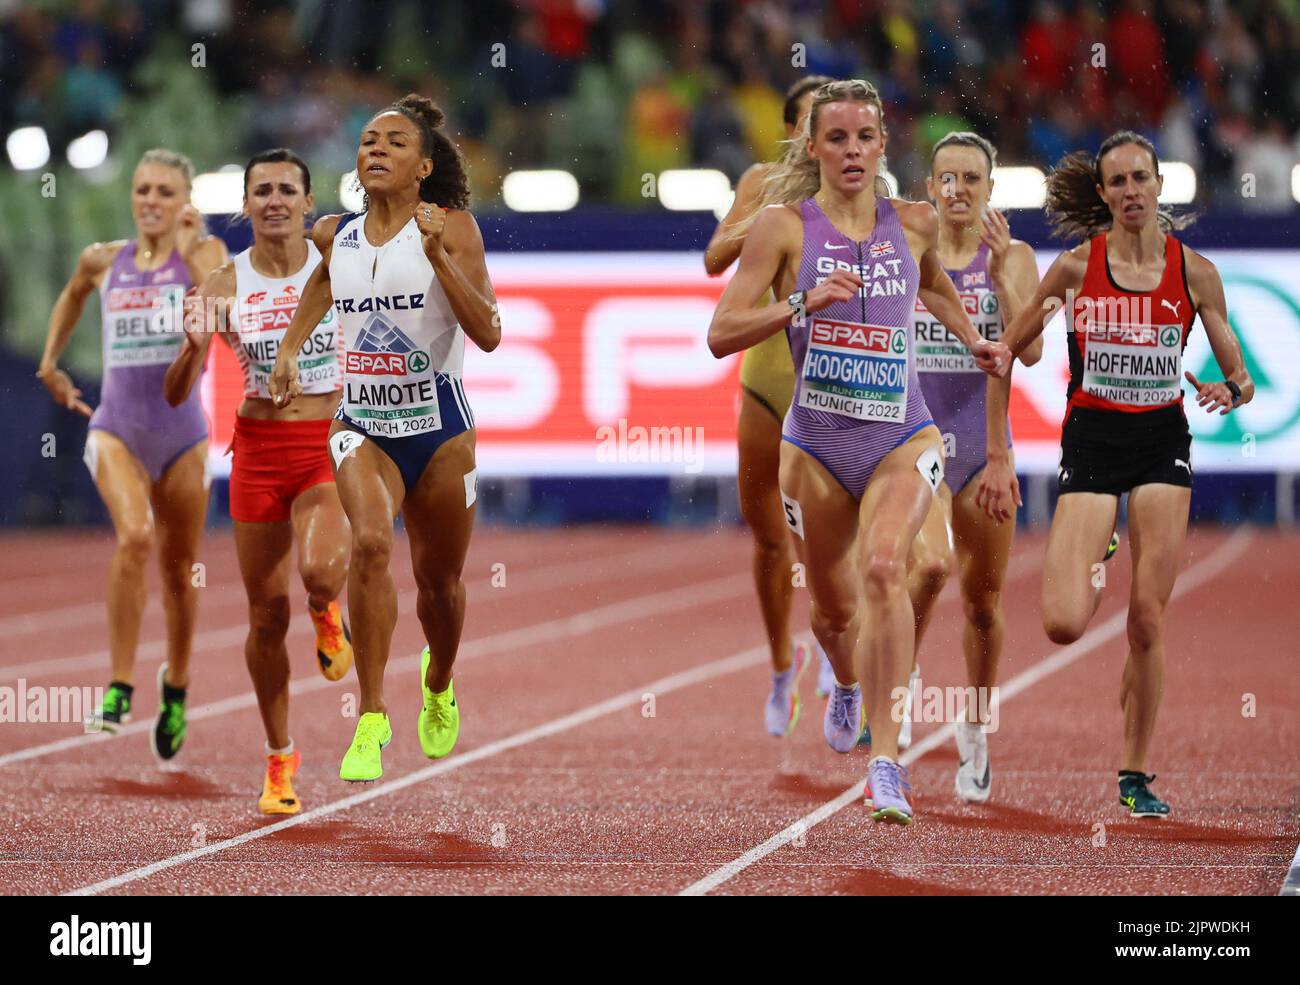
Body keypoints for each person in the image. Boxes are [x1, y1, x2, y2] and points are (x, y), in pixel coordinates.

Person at [709, 80, 1008, 824]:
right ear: (812, 147)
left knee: (886, 567)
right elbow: (721, 330)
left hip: (900, 436)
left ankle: (886, 762)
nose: (851, 151)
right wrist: (802, 303)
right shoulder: (783, 227)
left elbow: (935, 288)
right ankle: (843, 680)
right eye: (835, 138)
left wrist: (973, 339)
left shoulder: (913, 222)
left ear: (883, 147)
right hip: (814, 444)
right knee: (835, 617)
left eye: (864, 138)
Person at [978, 131, 1254, 818]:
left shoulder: (1196, 273)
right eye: (1118, 182)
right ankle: (1100, 547)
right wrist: (997, 440)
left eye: (1141, 178)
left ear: (1159, 185)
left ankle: (1135, 773)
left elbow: (1241, 375)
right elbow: (1007, 353)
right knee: (1065, 622)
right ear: (1103, 195)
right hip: (1094, 443)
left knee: (1147, 620)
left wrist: (1233, 388)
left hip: (1163, 443)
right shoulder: (1075, 268)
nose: (1132, 191)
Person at [269, 94, 501, 783]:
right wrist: (289, 348)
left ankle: (439, 679)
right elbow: (321, 286)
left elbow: (488, 332)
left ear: (424, 165)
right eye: (368, 141)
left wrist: (438, 256)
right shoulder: (333, 234)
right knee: (369, 544)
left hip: (440, 433)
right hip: (362, 424)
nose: (375, 150)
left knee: (441, 586)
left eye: (395, 143)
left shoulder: (452, 227)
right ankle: (370, 715)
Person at [164, 148, 353, 814]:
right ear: (246, 206)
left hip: (329, 442)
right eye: (261, 190)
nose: (274, 199)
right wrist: (191, 349)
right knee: (266, 616)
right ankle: (280, 757)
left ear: (308, 202)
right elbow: (175, 392)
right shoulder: (222, 284)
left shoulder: (340, 262)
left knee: (321, 572)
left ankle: (330, 612)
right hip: (259, 451)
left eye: (287, 190)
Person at [38, 149, 228, 760]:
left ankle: (175, 683)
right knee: (134, 538)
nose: (151, 200)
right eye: (143, 189)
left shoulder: (200, 256)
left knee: (179, 569)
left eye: (165, 192)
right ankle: (119, 684)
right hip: (116, 428)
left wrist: (201, 254)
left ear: (185, 202)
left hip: (183, 436)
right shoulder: (103, 260)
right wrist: (49, 364)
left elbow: (225, 291)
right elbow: (71, 295)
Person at [906, 132, 1043, 799]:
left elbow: (1035, 352)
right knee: (922, 572)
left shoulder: (1014, 257)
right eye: (947, 178)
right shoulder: (908, 250)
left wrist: (997, 280)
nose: (958, 189)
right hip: (914, 444)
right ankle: (893, 694)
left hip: (986, 450)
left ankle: (974, 728)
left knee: (983, 604)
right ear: (929, 188)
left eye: (971, 179)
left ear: (991, 190)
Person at [705, 75, 836, 738]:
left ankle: (839, 653)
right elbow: (713, 259)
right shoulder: (761, 180)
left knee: (836, 534)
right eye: (818, 123)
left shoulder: (867, 190)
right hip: (769, 375)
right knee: (767, 535)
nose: (833, 139)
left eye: (845, 127)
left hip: (839, 382)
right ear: (794, 132)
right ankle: (784, 663)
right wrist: (763, 217)